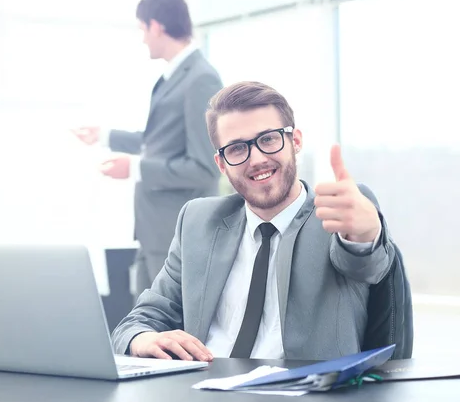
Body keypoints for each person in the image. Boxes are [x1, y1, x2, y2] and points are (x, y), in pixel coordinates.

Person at [111, 81, 399, 361]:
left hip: (300, 398)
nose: (257, 158)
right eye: (237, 148)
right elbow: (139, 321)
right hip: (204, 394)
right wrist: (142, 338)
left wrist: (365, 236)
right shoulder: (197, 222)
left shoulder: (337, 213)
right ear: (221, 164)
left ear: (295, 141)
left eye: (268, 139)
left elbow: (368, 266)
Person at [72, 0, 223, 296]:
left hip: (176, 233)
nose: (142, 38)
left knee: (168, 331)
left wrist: (136, 168)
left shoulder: (199, 78)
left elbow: (205, 167)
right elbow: (159, 140)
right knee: (145, 328)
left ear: (156, 26)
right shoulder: (175, 76)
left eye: (142, 29)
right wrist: (104, 136)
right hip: (155, 233)